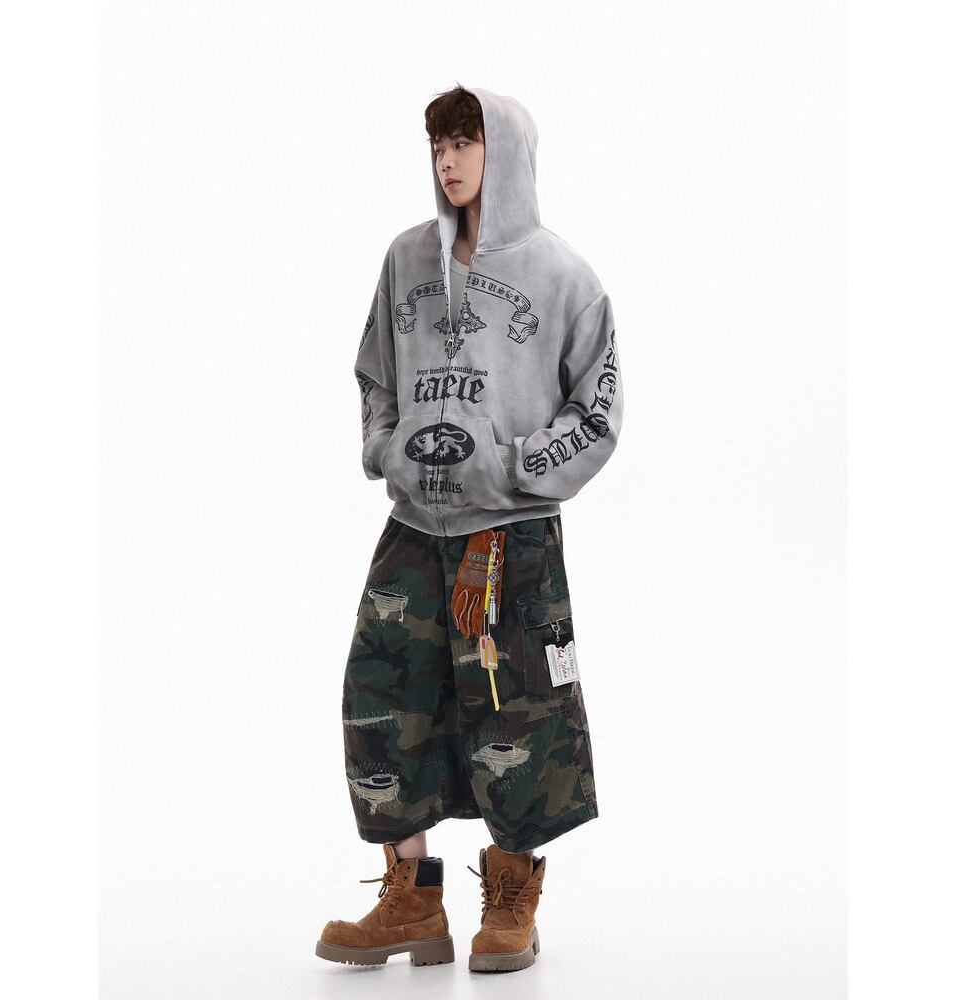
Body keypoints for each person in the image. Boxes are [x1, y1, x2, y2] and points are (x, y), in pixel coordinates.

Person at [315, 84, 624, 973]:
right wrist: (386, 448)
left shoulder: (564, 277)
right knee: (383, 696)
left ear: (505, 151)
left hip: (510, 535)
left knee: (515, 710)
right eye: (438, 145)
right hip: (416, 525)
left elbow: (597, 411)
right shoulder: (406, 259)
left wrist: (516, 466)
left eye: (464, 142)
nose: (448, 161)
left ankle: (513, 898)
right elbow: (375, 371)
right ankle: (411, 901)